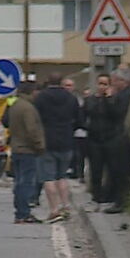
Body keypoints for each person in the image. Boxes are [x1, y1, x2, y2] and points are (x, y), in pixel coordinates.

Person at [34, 72, 79, 223]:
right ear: (61, 82)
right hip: (66, 139)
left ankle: (54, 209)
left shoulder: (41, 97)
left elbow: (36, 118)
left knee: (49, 177)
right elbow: (79, 119)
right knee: (62, 176)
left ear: (48, 81)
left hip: (47, 140)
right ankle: (66, 206)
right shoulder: (71, 98)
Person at [7, 81, 46, 223]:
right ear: (31, 91)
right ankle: (23, 213)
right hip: (27, 150)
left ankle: (19, 211)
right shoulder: (28, 108)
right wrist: (39, 145)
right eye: (36, 90)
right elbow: (32, 130)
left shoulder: (15, 105)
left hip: (16, 148)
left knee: (19, 182)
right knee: (26, 182)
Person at [103, 68, 130, 213]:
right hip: (116, 136)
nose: (112, 84)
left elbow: (117, 113)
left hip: (122, 137)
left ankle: (121, 201)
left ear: (123, 81)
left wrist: (109, 99)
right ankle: (116, 198)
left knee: (121, 171)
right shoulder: (123, 94)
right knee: (115, 170)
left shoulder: (126, 95)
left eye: (114, 81)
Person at [83, 73, 115, 207]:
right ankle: (96, 194)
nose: (102, 87)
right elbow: (87, 113)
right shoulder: (90, 100)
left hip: (109, 138)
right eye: (100, 84)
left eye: (105, 84)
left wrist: (108, 99)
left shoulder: (113, 99)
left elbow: (115, 114)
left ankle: (108, 194)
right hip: (94, 138)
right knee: (96, 168)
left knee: (111, 168)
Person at [61, 77, 87, 182]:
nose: (68, 88)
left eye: (70, 85)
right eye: (66, 85)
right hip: (62, 131)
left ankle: (75, 171)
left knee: (76, 153)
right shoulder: (59, 99)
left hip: (75, 132)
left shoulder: (78, 99)